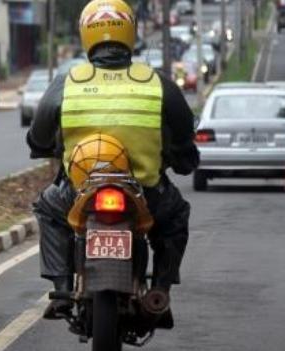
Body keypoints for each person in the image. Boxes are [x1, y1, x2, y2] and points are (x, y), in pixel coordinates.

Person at [26, 0, 199, 319]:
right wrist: (186, 159)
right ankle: (160, 289)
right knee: (174, 218)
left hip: (80, 192)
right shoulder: (157, 82)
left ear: (85, 35)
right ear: (130, 33)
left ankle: (62, 288)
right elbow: (184, 133)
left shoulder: (69, 81)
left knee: (48, 210)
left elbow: (39, 133)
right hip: (145, 193)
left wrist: (40, 145)